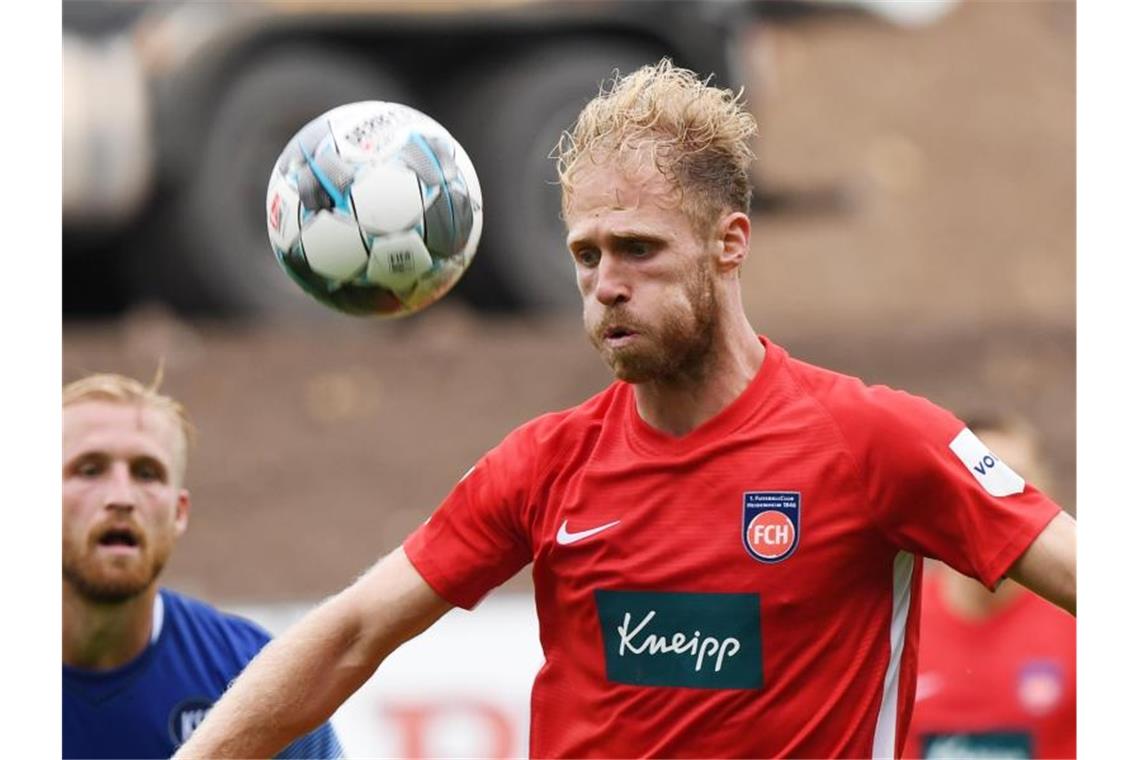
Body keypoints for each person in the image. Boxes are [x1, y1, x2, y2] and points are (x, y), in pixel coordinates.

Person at [177, 59, 1075, 759]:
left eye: (638, 250)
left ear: (731, 244)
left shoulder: (874, 441)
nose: (606, 285)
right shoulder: (544, 465)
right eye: (586, 254)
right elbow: (349, 633)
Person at [62, 372, 344, 759]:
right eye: (90, 470)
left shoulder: (250, 677)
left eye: (147, 473)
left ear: (179, 513)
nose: (121, 497)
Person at [904, 414, 1075, 759]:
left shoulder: (1079, 620)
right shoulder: (892, 622)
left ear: (1048, 496)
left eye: (1017, 483)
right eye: (977, 483)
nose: (994, 505)